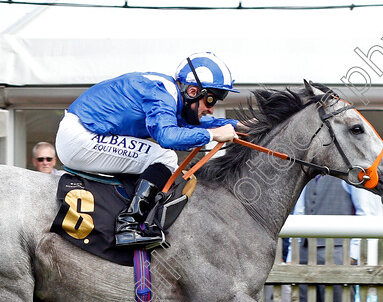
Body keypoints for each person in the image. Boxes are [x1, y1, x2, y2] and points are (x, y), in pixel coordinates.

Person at [55, 52, 249, 248]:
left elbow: (189, 124)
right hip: (80, 137)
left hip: (83, 134)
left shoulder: (170, 93)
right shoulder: (161, 93)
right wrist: (212, 135)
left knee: (158, 157)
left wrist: (237, 125)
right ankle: (127, 225)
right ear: (192, 91)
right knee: (164, 157)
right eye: (210, 100)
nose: (211, 109)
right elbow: (168, 137)